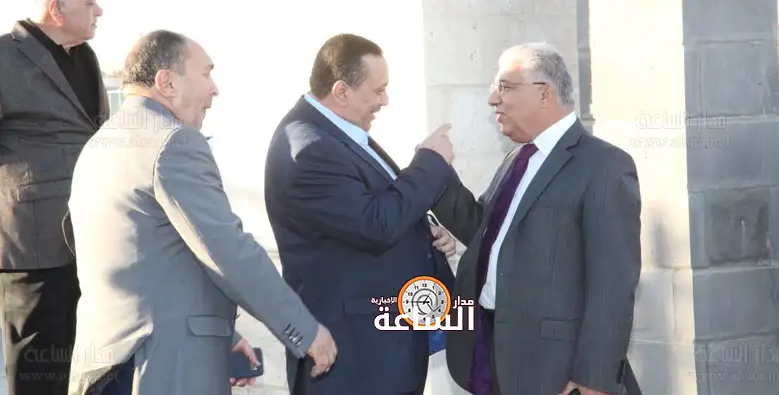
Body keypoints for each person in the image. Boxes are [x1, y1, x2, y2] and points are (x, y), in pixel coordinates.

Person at [66, 30, 337, 395]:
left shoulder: (99, 144)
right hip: (159, 366)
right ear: (167, 82)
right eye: (206, 73)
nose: (214, 89)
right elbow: (228, 250)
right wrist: (304, 330)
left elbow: (149, 255)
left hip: (111, 364)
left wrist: (223, 334)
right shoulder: (174, 142)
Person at [431, 42, 643, 395]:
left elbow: (613, 284)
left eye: (505, 87)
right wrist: (435, 173)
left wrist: (594, 378)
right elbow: (486, 230)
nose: (493, 99)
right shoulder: (517, 159)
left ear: (544, 93)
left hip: (556, 371)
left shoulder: (604, 165)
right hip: (495, 357)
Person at [264, 33, 459, 395]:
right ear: (341, 91)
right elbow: (375, 225)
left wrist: (427, 231)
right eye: (378, 90)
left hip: (381, 353)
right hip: (356, 361)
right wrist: (430, 162)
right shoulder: (310, 148)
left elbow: (371, 206)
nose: (385, 101)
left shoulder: (336, 135)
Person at [0, 0, 106, 395]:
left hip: (90, 240)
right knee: (37, 372)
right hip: (33, 246)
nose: (100, 10)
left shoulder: (86, 57)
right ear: (57, 9)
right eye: (91, 2)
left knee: (83, 366)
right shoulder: (4, 57)